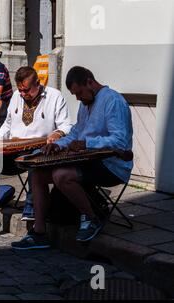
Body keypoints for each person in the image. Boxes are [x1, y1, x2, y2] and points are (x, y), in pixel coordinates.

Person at [12, 66, 133, 250]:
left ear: (90, 82)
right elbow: (76, 132)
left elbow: (120, 141)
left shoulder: (113, 100)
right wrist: (58, 144)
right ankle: (39, 232)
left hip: (112, 165)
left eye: (79, 92)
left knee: (62, 175)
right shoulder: (85, 104)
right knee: (37, 173)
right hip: (89, 162)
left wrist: (87, 144)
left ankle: (92, 218)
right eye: (74, 94)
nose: (77, 98)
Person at [0, 67, 72, 238]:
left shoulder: (54, 96)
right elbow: (7, 124)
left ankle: (32, 205)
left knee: (34, 156)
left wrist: (57, 133)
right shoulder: (16, 96)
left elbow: (66, 125)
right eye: (20, 89)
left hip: (40, 149)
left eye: (26, 90)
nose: (22, 93)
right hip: (14, 149)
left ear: (38, 83)